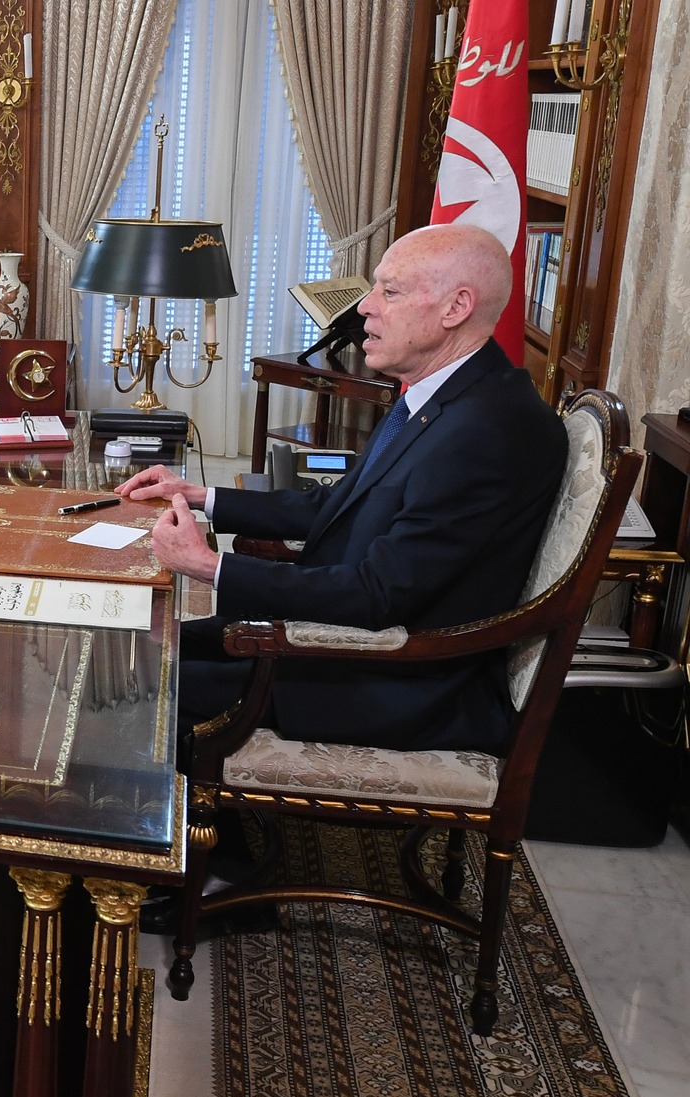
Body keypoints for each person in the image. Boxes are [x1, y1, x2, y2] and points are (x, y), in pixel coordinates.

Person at [118, 222, 566, 756]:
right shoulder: (443, 392)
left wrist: (208, 565)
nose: (364, 308)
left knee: (126, 683)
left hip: (392, 680)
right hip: (343, 643)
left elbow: (378, 595)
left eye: (389, 291)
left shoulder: (487, 431)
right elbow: (339, 504)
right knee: (127, 643)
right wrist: (202, 496)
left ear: (456, 307)